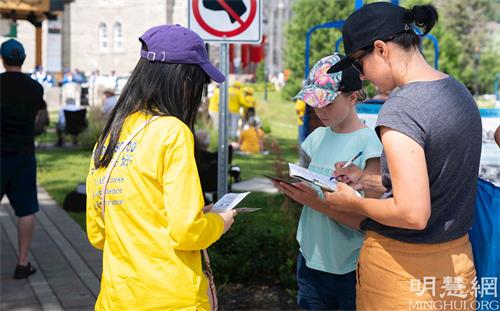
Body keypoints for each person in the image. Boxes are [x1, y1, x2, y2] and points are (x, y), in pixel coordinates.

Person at [324, 3, 481, 310]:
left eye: (358, 64)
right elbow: (438, 180)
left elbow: (413, 213)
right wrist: (367, 178)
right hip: (457, 265)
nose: (362, 77)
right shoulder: (459, 93)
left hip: (401, 273)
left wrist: (352, 203)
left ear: (381, 49)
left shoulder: (402, 108)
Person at [86, 24, 237, 310]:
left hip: (116, 298)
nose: (199, 93)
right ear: (182, 80)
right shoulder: (172, 133)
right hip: (171, 299)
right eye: (199, 83)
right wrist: (220, 222)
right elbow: (186, 232)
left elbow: (97, 233)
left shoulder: (110, 135)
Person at [273, 54, 383, 311]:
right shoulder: (317, 137)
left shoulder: (369, 144)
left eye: (327, 104)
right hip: (310, 258)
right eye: (314, 103)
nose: (320, 110)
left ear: (353, 96)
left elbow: (370, 220)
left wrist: (312, 200)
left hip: (350, 266)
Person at [0, 39, 45, 279]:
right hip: (24, 156)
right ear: (23, 58)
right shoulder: (36, 88)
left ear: (2, 59)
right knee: (26, 211)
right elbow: (36, 117)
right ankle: (22, 263)